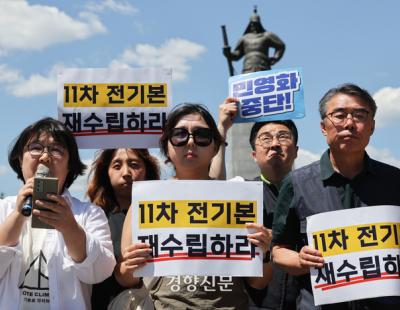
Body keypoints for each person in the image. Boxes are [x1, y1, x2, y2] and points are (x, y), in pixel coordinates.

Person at [120, 103, 273, 309]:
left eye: (201, 135)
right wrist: (130, 266)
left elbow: (258, 282)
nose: (190, 142)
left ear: (215, 146)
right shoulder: (145, 201)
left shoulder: (239, 199)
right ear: (166, 145)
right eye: (180, 135)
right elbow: (125, 278)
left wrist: (264, 253)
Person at [272, 83, 400, 309]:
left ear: (371, 127)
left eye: (360, 115)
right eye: (339, 115)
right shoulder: (297, 183)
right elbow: (279, 250)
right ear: (323, 127)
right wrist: (300, 260)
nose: (349, 123)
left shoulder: (394, 181)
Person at [0, 117, 116, 309]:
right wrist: (18, 214)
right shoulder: (4, 208)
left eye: (56, 150)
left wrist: (70, 228)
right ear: (20, 159)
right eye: (36, 148)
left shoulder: (89, 213)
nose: (45, 157)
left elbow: (101, 271)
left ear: (70, 164)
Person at [210, 99, 300, 310]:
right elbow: (211, 188)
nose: (275, 144)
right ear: (253, 155)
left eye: (283, 136)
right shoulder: (242, 195)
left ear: (296, 150)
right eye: (265, 139)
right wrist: (221, 129)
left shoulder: (313, 193)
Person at [88, 148, 160, 309]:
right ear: (105, 171)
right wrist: (123, 272)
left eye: (134, 165)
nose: (126, 172)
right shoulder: (94, 218)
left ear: (148, 169)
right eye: (117, 165)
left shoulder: (166, 215)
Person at [223, 8, 285, 74]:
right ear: (249, 24)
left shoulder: (266, 35)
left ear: (259, 24)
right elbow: (237, 54)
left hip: (263, 65)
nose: (253, 25)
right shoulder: (244, 38)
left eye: (255, 23)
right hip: (248, 67)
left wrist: (275, 57)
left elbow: (281, 46)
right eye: (252, 23)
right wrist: (228, 53)